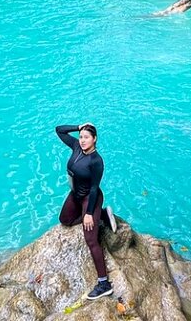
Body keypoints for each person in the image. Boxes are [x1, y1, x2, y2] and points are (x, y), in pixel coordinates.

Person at [56, 123, 117, 300]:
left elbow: (93, 188)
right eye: (81, 137)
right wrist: (79, 127)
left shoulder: (96, 161)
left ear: (94, 139)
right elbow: (59, 130)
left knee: (90, 239)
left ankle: (104, 283)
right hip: (75, 194)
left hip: (90, 198)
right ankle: (104, 215)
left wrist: (89, 213)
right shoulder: (76, 146)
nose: (82, 140)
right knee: (65, 220)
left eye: (86, 137)